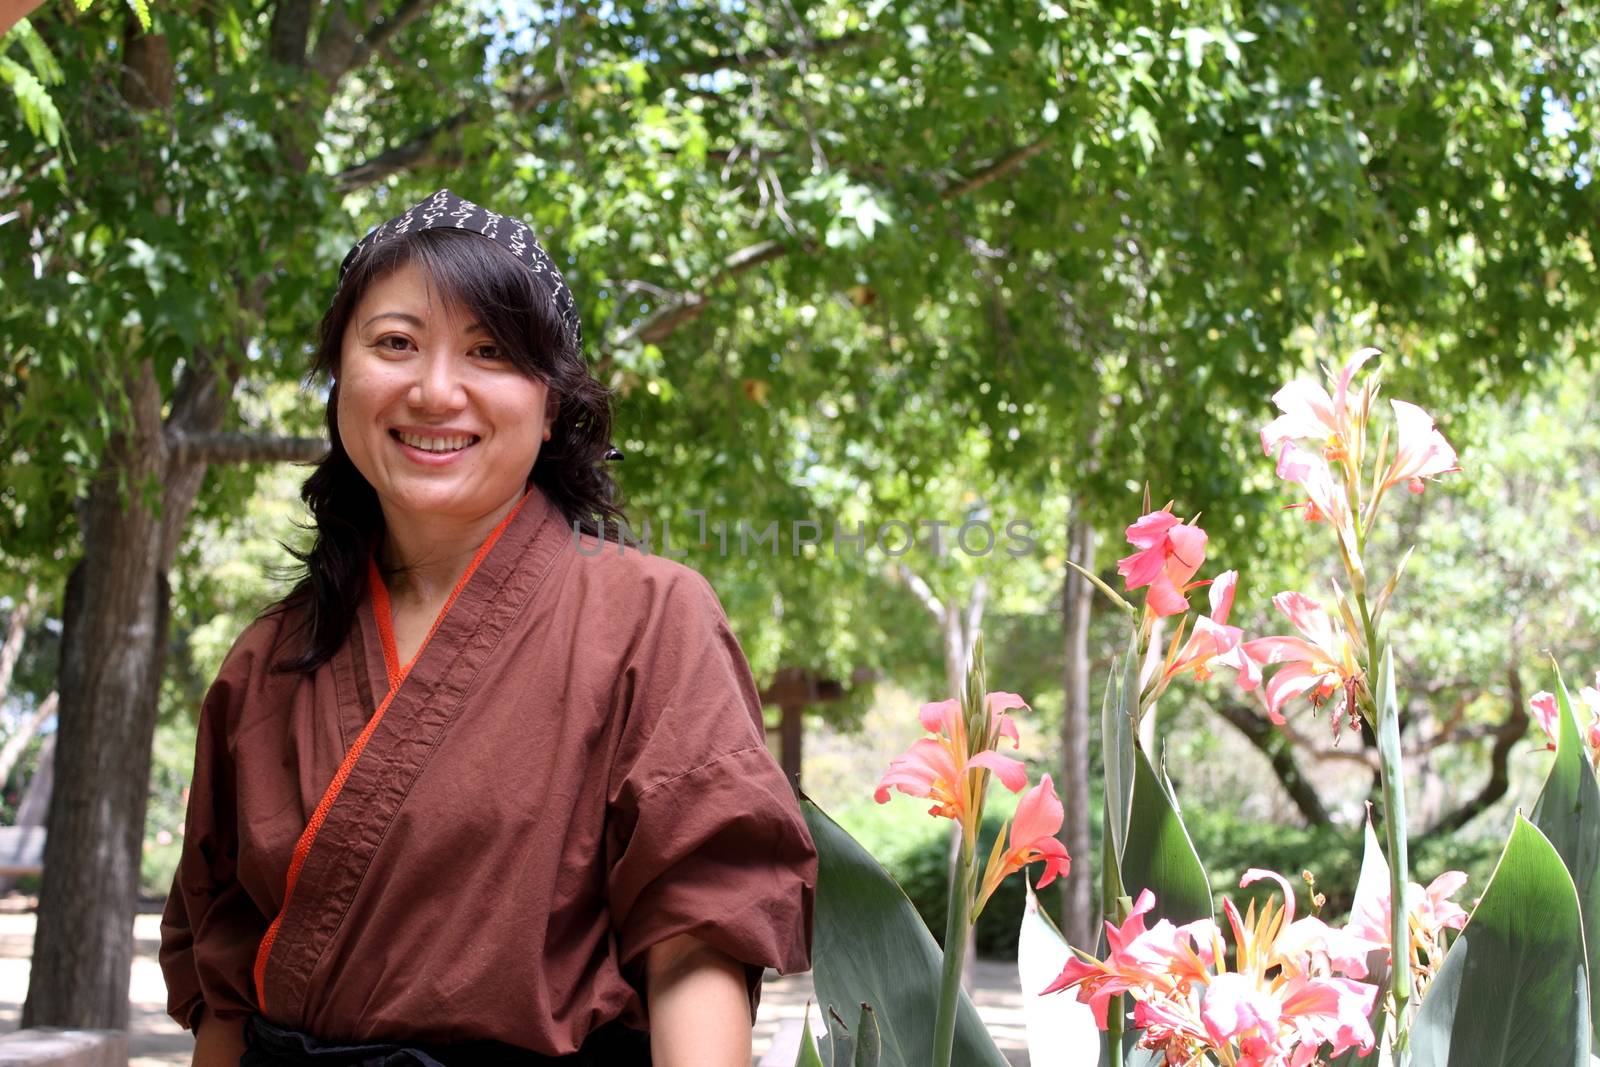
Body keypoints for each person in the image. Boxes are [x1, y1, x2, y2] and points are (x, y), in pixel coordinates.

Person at [158, 189, 817, 1066]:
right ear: (339, 375)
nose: (436, 390)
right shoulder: (267, 659)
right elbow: (226, 990)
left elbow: (700, 935)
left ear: (550, 407)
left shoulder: (654, 620)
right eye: (395, 344)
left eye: (490, 351)